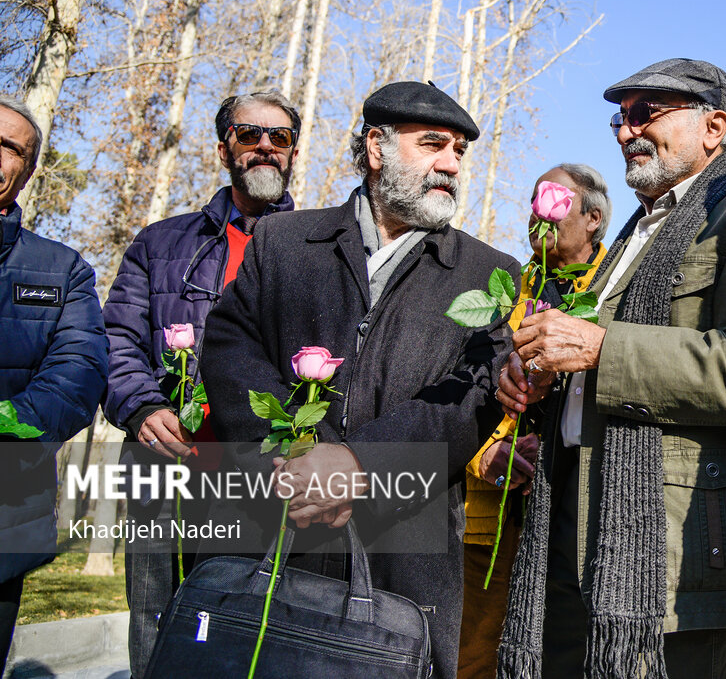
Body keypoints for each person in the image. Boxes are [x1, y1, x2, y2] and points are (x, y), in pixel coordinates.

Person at [495, 59, 726, 679]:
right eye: (620, 117)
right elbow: (590, 367)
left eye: (647, 113)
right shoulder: (627, 240)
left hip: (674, 555)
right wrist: (540, 381)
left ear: (714, 126)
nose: (624, 131)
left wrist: (599, 349)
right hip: (565, 527)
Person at [200, 80, 518, 679]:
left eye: (459, 152)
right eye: (432, 145)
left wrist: (358, 466)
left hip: (405, 545)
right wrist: (297, 455)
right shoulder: (284, 241)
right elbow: (227, 344)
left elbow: (473, 394)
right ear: (376, 147)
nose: (450, 164)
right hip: (276, 519)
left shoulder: (488, 273)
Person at [101, 90, 298, 677]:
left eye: (280, 137)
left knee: (246, 626)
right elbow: (114, 339)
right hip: (164, 464)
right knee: (156, 621)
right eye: (249, 134)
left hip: (262, 474)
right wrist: (140, 407)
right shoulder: (160, 243)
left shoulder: (320, 249)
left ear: (291, 154)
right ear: (224, 148)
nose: (265, 145)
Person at [458, 163, 611, 679]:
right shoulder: (502, 288)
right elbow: (464, 386)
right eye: (535, 197)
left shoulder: (616, 291)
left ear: (593, 219)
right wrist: (487, 452)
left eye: (555, 198)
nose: (538, 209)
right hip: (492, 514)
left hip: (577, 520)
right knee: (473, 656)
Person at [0, 97, 107, 667]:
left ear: (27, 170)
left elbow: (79, 375)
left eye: (9, 147)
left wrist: (6, 425)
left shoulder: (61, 271)